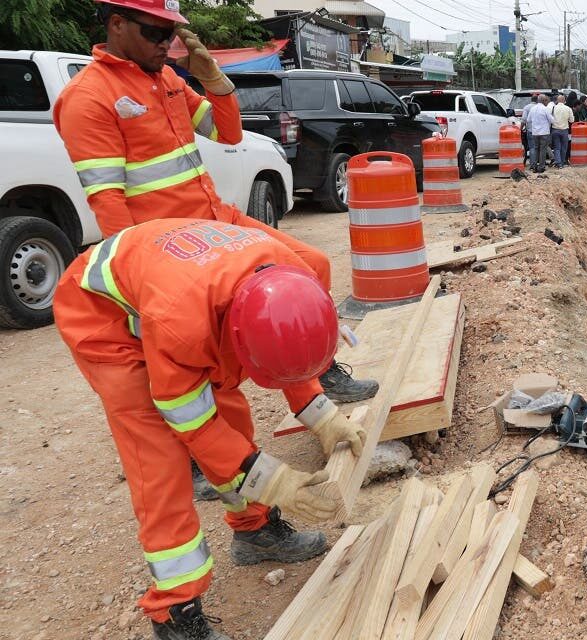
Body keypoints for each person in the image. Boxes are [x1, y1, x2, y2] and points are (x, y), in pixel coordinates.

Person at [55, 0, 377, 503]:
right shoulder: (90, 97)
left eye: (171, 33)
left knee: (307, 269)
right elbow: (109, 204)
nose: (167, 43)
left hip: (216, 223)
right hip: (170, 248)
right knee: (216, 368)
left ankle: (309, 367)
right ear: (116, 24)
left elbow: (225, 132)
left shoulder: (165, 79)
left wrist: (216, 81)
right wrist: (139, 296)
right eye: (155, 31)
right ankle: (219, 463)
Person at [55, 218, 369, 640]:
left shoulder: (298, 273)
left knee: (233, 420)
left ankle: (255, 532)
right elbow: (195, 427)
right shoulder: (181, 325)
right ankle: (174, 614)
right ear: (235, 334)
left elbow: (286, 345)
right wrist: (272, 480)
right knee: (159, 457)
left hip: (182, 291)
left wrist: (323, 415)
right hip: (102, 317)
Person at [525, 94, 553, 173]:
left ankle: (534, 166)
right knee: (543, 150)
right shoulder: (545, 109)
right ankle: (541, 167)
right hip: (544, 132)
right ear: (544, 101)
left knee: (536, 149)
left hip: (535, 132)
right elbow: (551, 120)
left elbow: (528, 120)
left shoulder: (533, 109)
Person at [550, 94, 574, 168]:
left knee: (557, 147)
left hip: (555, 130)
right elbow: (572, 120)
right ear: (564, 101)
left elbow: (550, 119)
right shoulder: (568, 108)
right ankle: (563, 162)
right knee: (564, 147)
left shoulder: (553, 108)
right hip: (564, 130)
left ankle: (559, 163)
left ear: (557, 100)